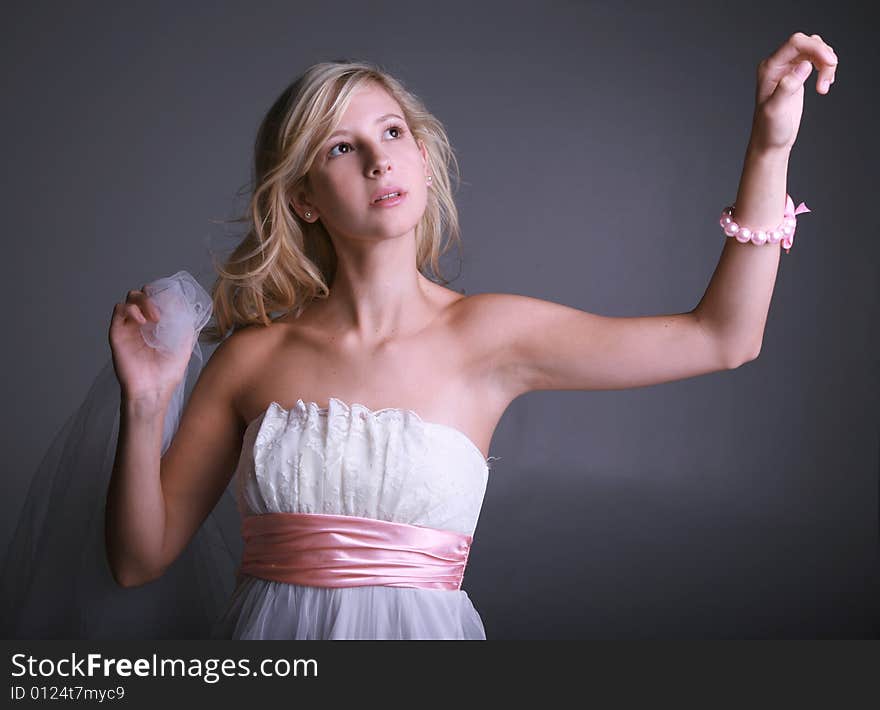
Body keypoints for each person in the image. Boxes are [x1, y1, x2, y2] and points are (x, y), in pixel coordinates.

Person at [10, 33, 838, 640]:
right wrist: (148, 402)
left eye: (393, 132)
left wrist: (771, 143)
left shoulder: (491, 334)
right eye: (344, 147)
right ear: (302, 198)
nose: (380, 161)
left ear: (422, 158)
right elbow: (138, 559)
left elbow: (724, 338)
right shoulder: (253, 358)